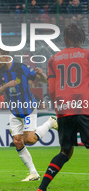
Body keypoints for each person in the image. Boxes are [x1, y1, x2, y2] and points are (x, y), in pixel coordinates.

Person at [0, 48, 58, 182]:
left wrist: (42, 74)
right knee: (17, 141)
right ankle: (33, 173)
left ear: (6, 57)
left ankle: (51, 122)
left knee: (30, 140)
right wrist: (5, 86)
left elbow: (44, 80)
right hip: (14, 111)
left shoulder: (21, 67)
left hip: (28, 108)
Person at [37, 23, 89, 191]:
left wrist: (60, 106)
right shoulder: (87, 55)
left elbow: (52, 90)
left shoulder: (53, 59)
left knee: (65, 152)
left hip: (64, 109)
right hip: (84, 107)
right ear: (81, 38)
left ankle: (42, 188)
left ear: (65, 38)